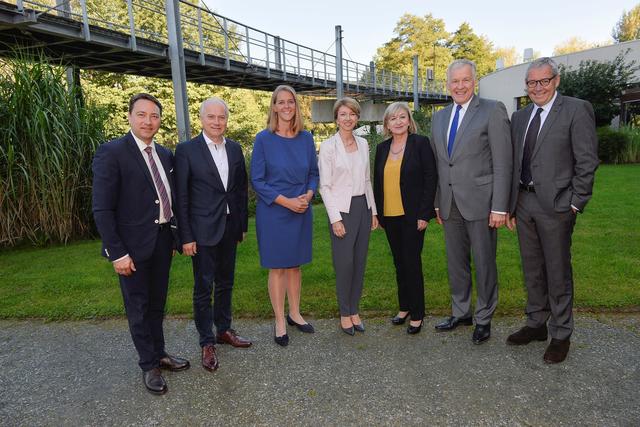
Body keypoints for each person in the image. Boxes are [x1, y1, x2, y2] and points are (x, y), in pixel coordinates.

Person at [92, 93, 189, 395]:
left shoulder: (165, 154)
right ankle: (149, 365)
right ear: (130, 117)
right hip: (130, 248)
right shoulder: (112, 152)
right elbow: (102, 208)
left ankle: (159, 352)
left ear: (160, 120)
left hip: (162, 242)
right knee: (138, 306)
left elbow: (168, 197)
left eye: (154, 116)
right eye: (142, 114)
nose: (148, 121)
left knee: (157, 303)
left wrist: (174, 235)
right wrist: (116, 252)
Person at [505, 57, 598, 364]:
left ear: (556, 80)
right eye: (532, 83)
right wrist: (511, 205)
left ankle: (560, 333)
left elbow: (586, 161)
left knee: (557, 270)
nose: (538, 88)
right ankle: (536, 323)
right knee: (532, 267)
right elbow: (514, 163)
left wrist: (575, 201)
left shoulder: (575, 109)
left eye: (544, 81)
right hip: (524, 201)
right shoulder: (520, 117)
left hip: (557, 205)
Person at [430, 59, 512, 344]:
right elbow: (441, 164)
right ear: (448, 84)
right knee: (456, 262)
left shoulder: (492, 110)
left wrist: (500, 206)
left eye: (465, 80)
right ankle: (461, 311)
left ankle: (484, 316)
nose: (460, 86)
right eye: (455, 81)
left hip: (482, 202)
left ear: (474, 81)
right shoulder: (439, 117)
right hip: (450, 203)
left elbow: (503, 162)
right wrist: (438, 202)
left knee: (484, 261)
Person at [174, 98, 251, 373]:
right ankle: (207, 341)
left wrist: (241, 224)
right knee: (203, 287)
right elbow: (181, 197)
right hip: (202, 230)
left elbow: (240, 190)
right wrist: (185, 235)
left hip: (230, 227)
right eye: (212, 117)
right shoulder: (186, 150)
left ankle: (224, 329)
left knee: (226, 282)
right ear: (201, 118)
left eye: (221, 117)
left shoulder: (234, 148)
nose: (217, 122)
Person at [250, 85, 319, 347]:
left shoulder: (306, 138)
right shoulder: (263, 139)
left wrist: (309, 195)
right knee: (278, 266)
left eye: (291, 102)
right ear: (274, 107)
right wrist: (287, 202)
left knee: (295, 265)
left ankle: (295, 313)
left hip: (301, 208)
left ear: (295, 106)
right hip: (274, 211)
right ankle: (279, 319)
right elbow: (257, 180)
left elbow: (314, 173)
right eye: (281, 102)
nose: (287, 106)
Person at [373, 102, 437, 335]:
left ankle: (418, 313)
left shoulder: (420, 143)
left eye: (402, 117)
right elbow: (377, 181)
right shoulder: (381, 148)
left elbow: (431, 178)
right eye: (393, 118)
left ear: (409, 121)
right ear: (387, 124)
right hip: (389, 215)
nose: (398, 121)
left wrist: (424, 214)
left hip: (412, 216)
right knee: (399, 263)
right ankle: (404, 307)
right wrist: (378, 213)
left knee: (412, 262)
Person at [318, 98, 378, 335]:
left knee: (359, 263)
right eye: (343, 114)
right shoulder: (328, 146)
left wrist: (373, 210)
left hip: (362, 206)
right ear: (336, 118)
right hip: (342, 210)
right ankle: (344, 313)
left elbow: (366, 179)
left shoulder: (363, 143)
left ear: (357, 117)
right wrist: (335, 218)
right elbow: (325, 185)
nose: (348, 118)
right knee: (345, 265)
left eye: (352, 114)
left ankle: (355, 311)